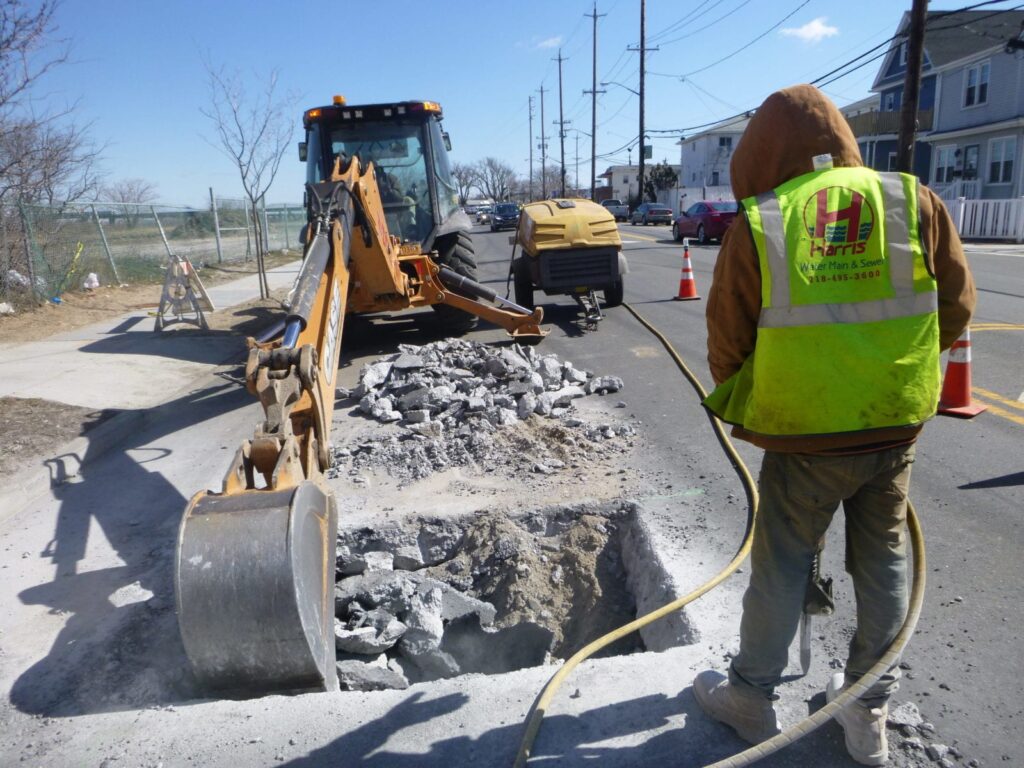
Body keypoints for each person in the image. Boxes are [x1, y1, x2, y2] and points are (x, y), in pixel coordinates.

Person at [693, 84, 976, 766]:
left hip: (804, 437)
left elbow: (727, 340)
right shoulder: (914, 200)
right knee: (883, 560)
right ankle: (868, 709)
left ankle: (751, 697)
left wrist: (756, 405)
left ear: (763, 153)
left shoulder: (765, 220)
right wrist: (892, 374)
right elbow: (957, 308)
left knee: (783, 561)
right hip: (894, 427)